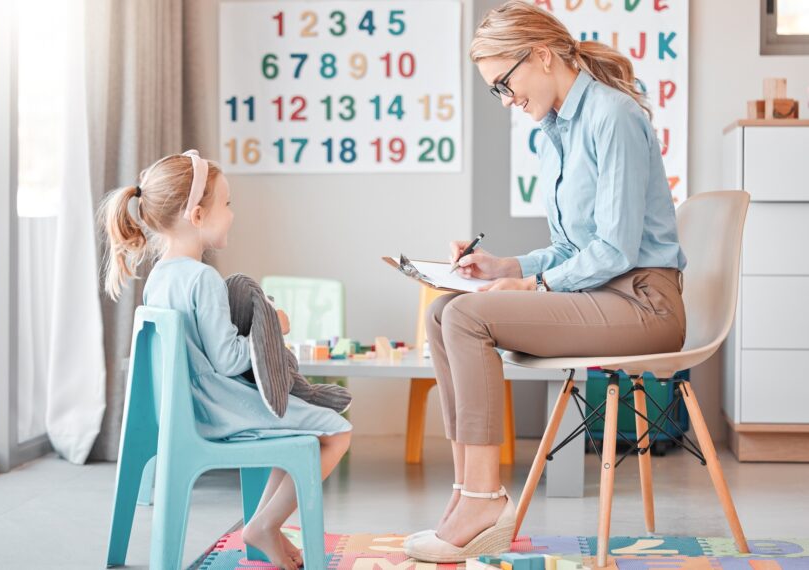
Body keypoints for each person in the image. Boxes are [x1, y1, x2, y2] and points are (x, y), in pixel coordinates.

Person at [404, 1, 686, 563]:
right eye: (496, 91)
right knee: (444, 310)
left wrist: (535, 290)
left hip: (643, 304)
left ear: (541, 54)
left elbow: (615, 248)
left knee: (466, 316)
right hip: (601, 293)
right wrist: (506, 268)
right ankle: (467, 492)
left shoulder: (614, 115)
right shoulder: (556, 130)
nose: (507, 100)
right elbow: (571, 248)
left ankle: (484, 499)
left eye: (504, 84)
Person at [100, 150, 352, 570]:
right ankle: (263, 526)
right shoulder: (203, 279)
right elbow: (229, 359)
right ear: (197, 216)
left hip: (183, 410)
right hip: (217, 411)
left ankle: (262, 524)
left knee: (300, 434)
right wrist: (272, 323)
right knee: (336, 433)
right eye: (227, 204)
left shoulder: (159, 278)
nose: (232, 214)